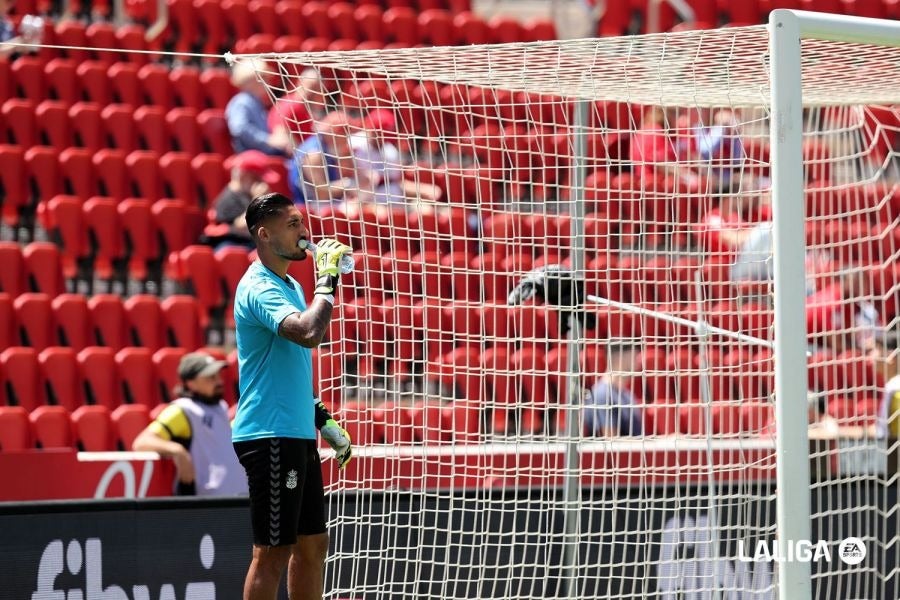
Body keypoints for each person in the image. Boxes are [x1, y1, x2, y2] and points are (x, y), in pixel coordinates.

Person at [231, 192, 353, 600]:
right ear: (264, 235)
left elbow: (287, 367)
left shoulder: (290, 285)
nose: (304, 230)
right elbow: (308, 333)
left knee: (313, 546)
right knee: (272, 552)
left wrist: (321, 417)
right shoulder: (259, 286)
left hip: (296, 431)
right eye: (292, 224)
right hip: (270, 433)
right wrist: (327, 280)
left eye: (301, 221)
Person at [132, 352, 248, 497]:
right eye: (210, 377)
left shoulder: (221, 407)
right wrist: (178, 451)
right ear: (191, 383)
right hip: (209, 503)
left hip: (239, 499)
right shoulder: (182, 409)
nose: (219, 381)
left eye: (218, 375)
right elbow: (141, 442)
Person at [209, 150, 280, 250]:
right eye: (258, 179)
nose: (262, 184)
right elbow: (242, 226)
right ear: (244, 176)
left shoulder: (248, 195)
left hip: (249, 244)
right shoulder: (228, 199)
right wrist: (257, 200)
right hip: (230, 244)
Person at [291, 110, 359, 209]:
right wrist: (348, 184)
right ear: (336, 134)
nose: (347, 139)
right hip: (310, 209)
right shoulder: (314, 154)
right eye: (345, 134)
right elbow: (321, 194)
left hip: (329, 205)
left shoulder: (328, 148)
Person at [226, 60, 291, 157]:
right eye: (263, 77)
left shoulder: (255, 102)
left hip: (266, 155)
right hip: (252, 157)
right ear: (252, 81)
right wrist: (268, 140)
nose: (268, 82)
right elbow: (240, 129)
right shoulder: (242, 101)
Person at [583, 341, 643, 437]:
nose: (639, 361)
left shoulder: (627, 394)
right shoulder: (602, 395)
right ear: (619, 358)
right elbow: (610, 440)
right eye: (635, 356)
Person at [268, 68, 328, 151]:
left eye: (317, 89)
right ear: (299, 83)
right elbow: (280, 136)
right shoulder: (291, 105)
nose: (312, 92)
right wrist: (301, 152)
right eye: (311, 87)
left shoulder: (307, 108)